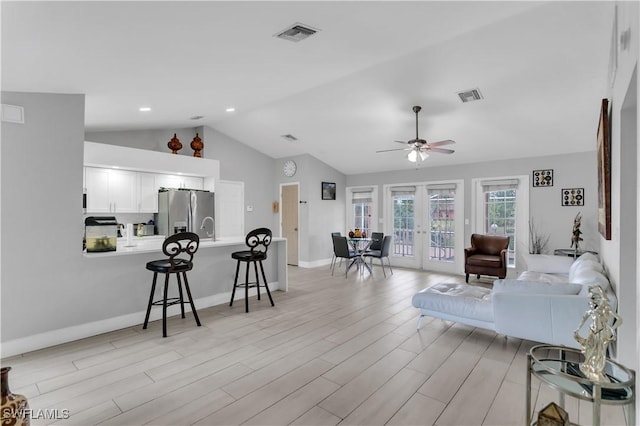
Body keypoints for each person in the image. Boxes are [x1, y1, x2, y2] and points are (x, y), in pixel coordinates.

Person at [573, 285, 622, 381]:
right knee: (588, 351)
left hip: (599, 334)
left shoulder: (604, 310)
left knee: (599, 352)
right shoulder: (591, 311)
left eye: (592, 300)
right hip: (591, 332)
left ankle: (596, 372)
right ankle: (588, 368)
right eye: (590, 300)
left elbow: (619, 320)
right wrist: (577, 330)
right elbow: (583, 320)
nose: (590, 302)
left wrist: (612, 329)